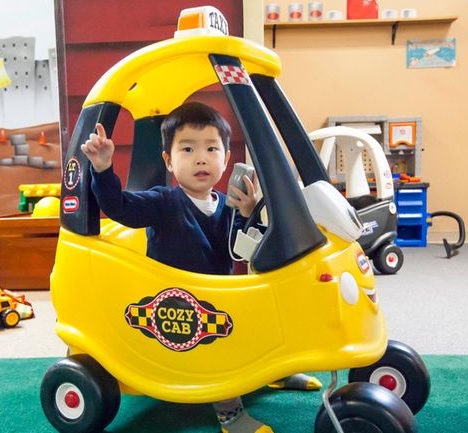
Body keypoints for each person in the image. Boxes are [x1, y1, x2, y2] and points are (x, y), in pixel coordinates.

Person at [82, 101, 315, 433]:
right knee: (223, 345)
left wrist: (248, 212)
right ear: (169, 160)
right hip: (176, 306)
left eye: (211, 148)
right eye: (188, 149)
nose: (201, 158)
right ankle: (229, 412)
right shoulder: (162, 202)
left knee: (267, 307)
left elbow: (239, 249)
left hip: (220, 297)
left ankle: (274, 370)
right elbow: (120, 207)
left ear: (225, 159)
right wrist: (103, 168)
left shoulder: (226, 205)